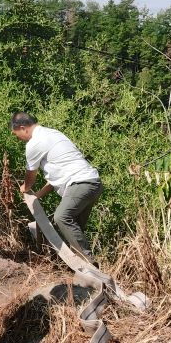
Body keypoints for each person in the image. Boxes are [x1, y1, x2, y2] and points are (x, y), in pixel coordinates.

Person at [10, 112, 103, 261]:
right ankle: (82, 272)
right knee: (74, 228)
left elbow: (30, 178)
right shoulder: (54, 133)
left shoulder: (34, 144)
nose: (18, 139)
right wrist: (37, 195)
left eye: (16, 135)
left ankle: (89, 263)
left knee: (61, 217)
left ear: (23, 128)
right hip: (93, 183)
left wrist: (25, 188)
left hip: (80, 183)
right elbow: (57, 178)